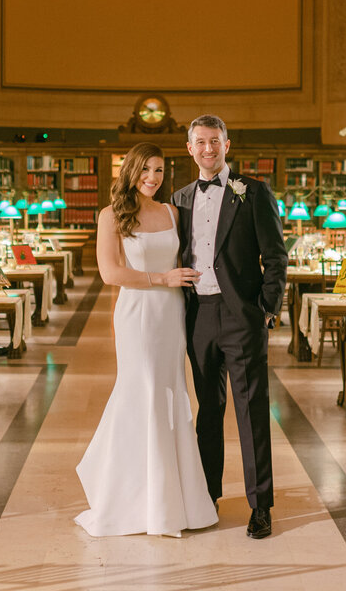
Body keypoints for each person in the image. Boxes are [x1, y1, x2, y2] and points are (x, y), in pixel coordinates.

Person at [75, 141, 218, 537]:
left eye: (159, 170)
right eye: (145, 170)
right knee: (142, 392)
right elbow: (110, 273)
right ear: (131, 171)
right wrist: (162, 278)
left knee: (171, 393)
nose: (152, 178)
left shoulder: (173, 211)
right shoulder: (111, 214)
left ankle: (173, 499)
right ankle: (131, 498)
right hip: (137, 313)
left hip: (172, 314)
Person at [172, 114, 287, 539]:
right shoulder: (180, 198)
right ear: (190, 148)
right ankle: (208, 496)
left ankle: (261, 506)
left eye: (214, 141)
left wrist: (266, 309)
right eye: (200, 142)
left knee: (251, 411)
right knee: (208, 412)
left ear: (227, 144)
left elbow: (276, 256)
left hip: (242, 316)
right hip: (198, 317)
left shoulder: (253, 192)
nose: (208, 149)